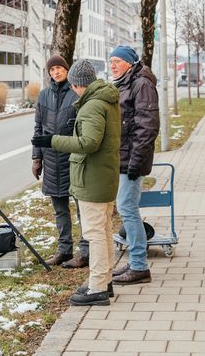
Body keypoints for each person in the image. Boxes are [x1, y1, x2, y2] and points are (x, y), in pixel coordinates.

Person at [32, 59, 121, 307]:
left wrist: (54, 141)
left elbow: (89, 143)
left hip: (93, 177)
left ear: (79, 83)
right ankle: (104, 280)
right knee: (103, 230)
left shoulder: (92, 105)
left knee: (95, 234)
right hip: (103, 174)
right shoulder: (106, 100)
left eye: (73, 84)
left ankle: (98, 288)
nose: (72, 89)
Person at [107, 45, 158, 285]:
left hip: (132, 159)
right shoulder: (126, 83)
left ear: (130, 62)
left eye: (117, 60)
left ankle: (139, 266)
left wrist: (135, 162)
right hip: (124, 157)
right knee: (127, 207)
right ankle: (136, 262)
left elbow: (147, 127)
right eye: (111, 61)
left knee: (127, 207)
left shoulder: (141, 84)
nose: (113, 65)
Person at [31, 55, 88, 268]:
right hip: (51, 159)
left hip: (73, 158)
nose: (56, 72)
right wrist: (37, 157)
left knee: (82, 206)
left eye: (59, 68)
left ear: (67, 69)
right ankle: (64, 250)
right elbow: (38, 129)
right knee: (59, 208)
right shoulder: (44, 95)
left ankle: (86, 250)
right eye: (52, 69)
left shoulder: (77, 92)